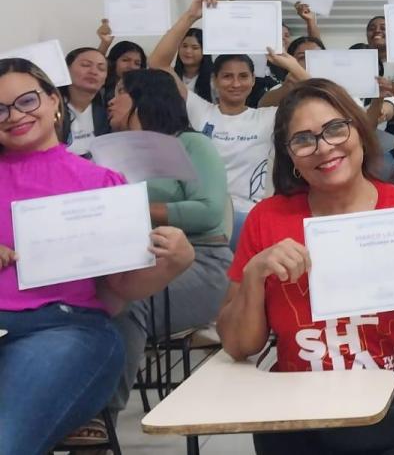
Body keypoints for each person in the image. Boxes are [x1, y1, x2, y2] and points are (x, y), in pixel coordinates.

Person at [217, 79, 394, 454]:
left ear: (360, 132)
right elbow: (238, 345)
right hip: (304, 412)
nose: (324, 147)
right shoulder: (267, 219)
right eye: (303, 139)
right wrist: (254, 274)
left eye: (335, 129)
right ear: (291, 157)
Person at [0, 58, 194, 454]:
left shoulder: (101, 183)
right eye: (0, 109)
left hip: (60, 329)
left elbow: (121, 287)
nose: (14, 116)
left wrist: (174, 261)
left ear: (55, 100)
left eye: (26, 101)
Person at [103, 68, 232, 415]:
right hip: (133, 259)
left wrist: (133, 210)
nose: (111, 100)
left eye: (121, 92)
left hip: (199, 263)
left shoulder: (192, 143)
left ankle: (101, 419)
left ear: (145, 98)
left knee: (129, 301)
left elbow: (207, 212)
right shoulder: (108, 152)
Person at [149, 0, 310, 250]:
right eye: (227, 77)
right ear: (214, 80)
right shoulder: (200, 111)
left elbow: (321, 95)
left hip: (252, 218)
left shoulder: (268, 117)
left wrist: (290, 64)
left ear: (253, 80)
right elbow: (158, 64)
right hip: (206, 221)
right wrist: (190, 15)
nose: (236, 84)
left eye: (243, 76)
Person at [62, 47, 111, 156]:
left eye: (101, 68)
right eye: (85, 65)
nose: (93, 72)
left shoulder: (105, 115)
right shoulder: (51, 111)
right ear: (66, 70)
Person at [173, 28, 216, 101]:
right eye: (184, 46)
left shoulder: (214, 78)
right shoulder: (171, 75)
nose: (188, 51)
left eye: (195, 48)